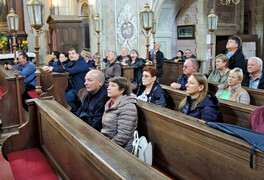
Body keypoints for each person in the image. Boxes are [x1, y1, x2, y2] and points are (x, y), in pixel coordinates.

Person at [101, 77, 138, 153]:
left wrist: (106, 147)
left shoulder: (128, 107)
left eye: (113, 86)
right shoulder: (110, 103)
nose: (108, 88)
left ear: (122, 90)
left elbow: (122, 138)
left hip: (120, 149)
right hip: (108, 142)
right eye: (109, 85)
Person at [65, 48, 89, 114]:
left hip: (82, 88)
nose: (71, 55)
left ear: (78, 54)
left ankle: (78, 114)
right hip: (74, 87)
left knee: (68, 99)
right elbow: (64, 68)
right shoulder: (72, 62)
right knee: (66, 98)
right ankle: (76, 113)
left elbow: (70, 71)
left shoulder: (81, 63)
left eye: (73, 53)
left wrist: (53, 68)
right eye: (69, 54)